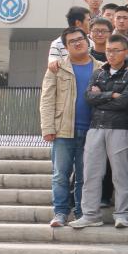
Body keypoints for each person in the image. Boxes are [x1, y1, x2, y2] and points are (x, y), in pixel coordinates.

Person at [69, 34, 128, 228]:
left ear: (126, 52)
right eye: (109, 50)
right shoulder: (98, 73)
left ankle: (122, 214)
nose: (111, 54)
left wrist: (101, 96)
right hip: (95, 127)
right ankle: (90, 215)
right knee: (91, 173)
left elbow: (124, 102)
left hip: (119, 128)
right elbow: (88, 97)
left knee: (120, 173)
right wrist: (112, 95)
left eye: (116, 50)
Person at [41, 28, 100, 227]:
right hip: (63, 130)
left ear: (88, 41)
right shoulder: (57, 68)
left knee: (85, 176)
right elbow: (47, 99)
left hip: (92, 131)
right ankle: (60, 213)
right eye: (72, 41)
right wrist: (47, 127)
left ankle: (82, 213)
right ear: (66, 47)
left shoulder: (101, 68)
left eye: (80, 39)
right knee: (60, 175)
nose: (77, 43)